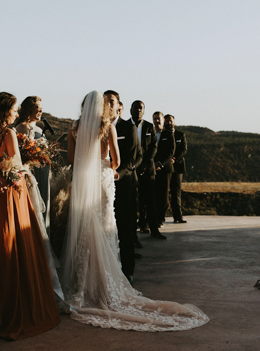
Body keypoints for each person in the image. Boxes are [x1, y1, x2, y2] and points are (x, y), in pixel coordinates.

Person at [60, 90, 209, 331]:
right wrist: (103, 164)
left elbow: (71, 158)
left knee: (85, 228)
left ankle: (82, 286)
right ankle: (104, 285)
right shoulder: (106, 126)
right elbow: (116, 161)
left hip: (82, 181)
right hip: (102, 180)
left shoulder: (73, 128)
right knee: (105, 227)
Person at [0, 92, 60, 340]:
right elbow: (15, 165)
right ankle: (22, 304)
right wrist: (25, 166)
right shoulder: (8, 134)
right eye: (14, 110)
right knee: (20, 248)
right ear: (6, 111)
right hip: (12, 193)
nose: (16, 114)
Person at [104, 90, 141, 282]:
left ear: (119, 105)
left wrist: (118, 174)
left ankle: (128, 271)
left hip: (124, 185)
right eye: (105, 101)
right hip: (102, 186)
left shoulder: (128, 128)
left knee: (125, 228)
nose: (109, 105)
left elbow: (134, 158)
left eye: (112, 101)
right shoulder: (99, 127)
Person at [15, 95, 51, 232]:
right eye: (37, 108)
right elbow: (21, 154)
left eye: (41, 108)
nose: (41, 111)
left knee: (45, 204)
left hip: (43, 171)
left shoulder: (39, 130)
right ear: (28, 109)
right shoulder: (22, 128)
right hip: (32, 172)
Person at [130, 101, 158, 235]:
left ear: (144, 111)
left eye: (141, 108)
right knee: (133, 201)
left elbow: (153, 147)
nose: (139, 110)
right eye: (136, 108)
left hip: (148, 169)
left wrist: (144, 165)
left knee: (150, 200)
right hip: (130, 169)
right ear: (131, 110)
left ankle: (154, 229)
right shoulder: (124, 126)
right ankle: (134, 231)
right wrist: (134, 166)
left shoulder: (149, 127)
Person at [153, 111, 175, 230]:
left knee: (164, 195)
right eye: (155, 119)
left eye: (158, 119)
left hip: (165, 169)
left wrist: (160, 163)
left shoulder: (168, 134)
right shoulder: (150, 133)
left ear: (163, 120)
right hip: (152, 168)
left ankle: (161, 218)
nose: (157, 121)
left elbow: (171, 152)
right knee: (153, 194)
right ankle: (152, 219)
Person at [168, 114, 188, 224]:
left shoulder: (181, 135)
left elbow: (184, 149)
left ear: (174, 122)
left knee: (176, 193)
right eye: (167, 121)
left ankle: (178, 217)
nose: (169, 123)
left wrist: (175, 159)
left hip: (178, 168)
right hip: (165, 168)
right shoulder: (162, 135)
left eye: (171, 121)